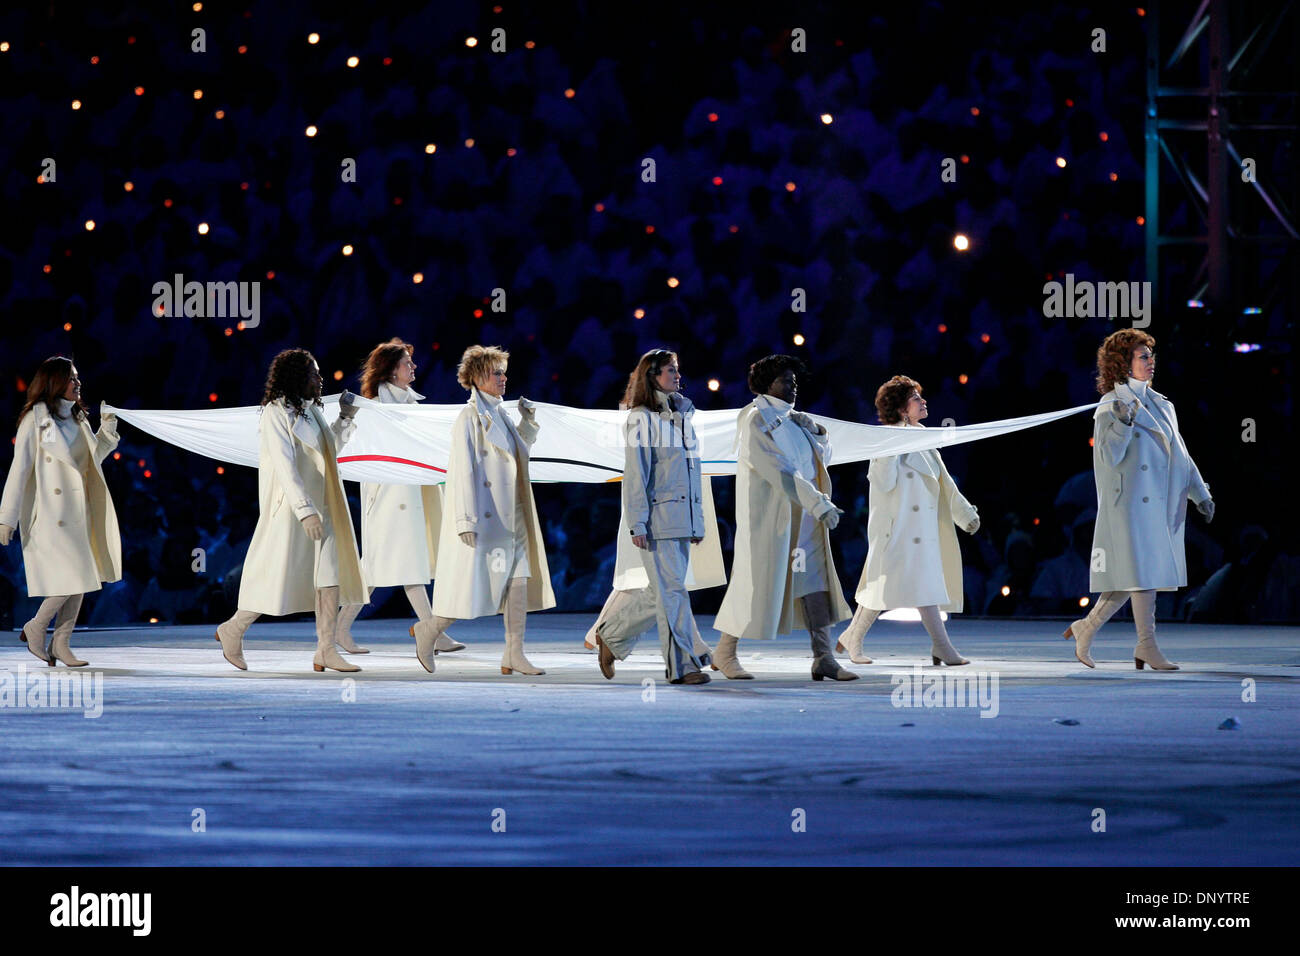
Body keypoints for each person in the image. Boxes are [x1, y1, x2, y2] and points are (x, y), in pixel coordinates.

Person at [1064, 329, 1213, 670]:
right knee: (1141, 575)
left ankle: (1086, 628)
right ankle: (1146, 644)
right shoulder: (1109, 405)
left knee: (1131, 576)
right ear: (1122, 364)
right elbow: (1108, 456)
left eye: (1151, 356)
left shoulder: (1163, 404)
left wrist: (1200, 492)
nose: (1150, 362)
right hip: (1128, 505)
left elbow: (1181, 454)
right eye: (1142, 356)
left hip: (1158, 505)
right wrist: (1123, 421)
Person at [214, 349, 367, 672]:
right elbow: (285, 466)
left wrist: (345, 418)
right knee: (276, 576)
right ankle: (234, 628)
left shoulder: (311, 411)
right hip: (292, 509)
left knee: (329, 575)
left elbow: (329, 453)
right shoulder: (275, 412)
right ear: (297, 376)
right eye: (314, 373)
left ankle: (325, 647)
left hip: (325, 504)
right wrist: (304, 509)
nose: (320, 378)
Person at [712, 355, 858, 681]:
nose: (793, 386)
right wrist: (819, 503)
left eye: (794, 381)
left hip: (804, 518)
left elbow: (819, 462)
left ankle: (823, 657)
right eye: (785, 381)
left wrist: (817, 433)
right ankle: (724, 652)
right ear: (767, 384)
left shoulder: (792, 419)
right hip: (773, 521)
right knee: (753, 585)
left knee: (815, 586)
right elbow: (780, 470)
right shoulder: (755, 419)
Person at [335, 338, 464, 670]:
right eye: (407, 362)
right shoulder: (373, 407)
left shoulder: (409, 403)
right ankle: (431, 630)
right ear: (391, 370)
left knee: (394, 565)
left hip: (411, 491)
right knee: (401, 564)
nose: (414, 367)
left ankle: (342, 628)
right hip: (388, 494)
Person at [428, 345, 555, 675]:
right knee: (474, 589)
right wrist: (464, 519)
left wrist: (528, 424)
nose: (503, 377)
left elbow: (517, 455)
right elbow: (461, 471)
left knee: (518, 581)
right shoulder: (468, 418)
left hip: (513, 513)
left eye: (503, 371)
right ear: (477, 377)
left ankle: (514, 652)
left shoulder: (501, 414)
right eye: (496, 372)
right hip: (487, 515)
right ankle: (429, 630)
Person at [838, 375, 980, 665]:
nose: (923, 401)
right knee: (889, 586)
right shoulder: (888, 440)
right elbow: (883, 482)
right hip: (896, 531)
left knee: (914, 587)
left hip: (919, 530)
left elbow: (944, 484)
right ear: (902, 409)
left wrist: (965, 515)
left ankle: (857, 637)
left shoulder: (922, 436)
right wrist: (892, 443)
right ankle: (938, 647)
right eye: (916, 398)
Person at [594, 349, 711, 684]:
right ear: (652, 375)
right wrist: (638, 522)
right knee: (672, 592)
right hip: (657, 520)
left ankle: (611, 635)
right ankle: (682, 667)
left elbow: (692, 471)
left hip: (681, 518)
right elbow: (636, 475)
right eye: (670, 370)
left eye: (677, 369)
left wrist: (696, 521)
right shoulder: (640, 418)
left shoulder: (683, 415)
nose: (677, 375)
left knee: (662, 593)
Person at [0, 357, 121, 666]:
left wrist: (106, 432)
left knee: (83, 576)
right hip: (50, 515)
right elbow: (20, 469)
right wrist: (6, 517)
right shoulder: (35, 421)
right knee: (74, 578)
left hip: (78, 513)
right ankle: (38, 626)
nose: (78, 384)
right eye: (72, 379)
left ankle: (61, 643)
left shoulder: (78, 419)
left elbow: (91, 460)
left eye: (78, 379)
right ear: (54, 382)